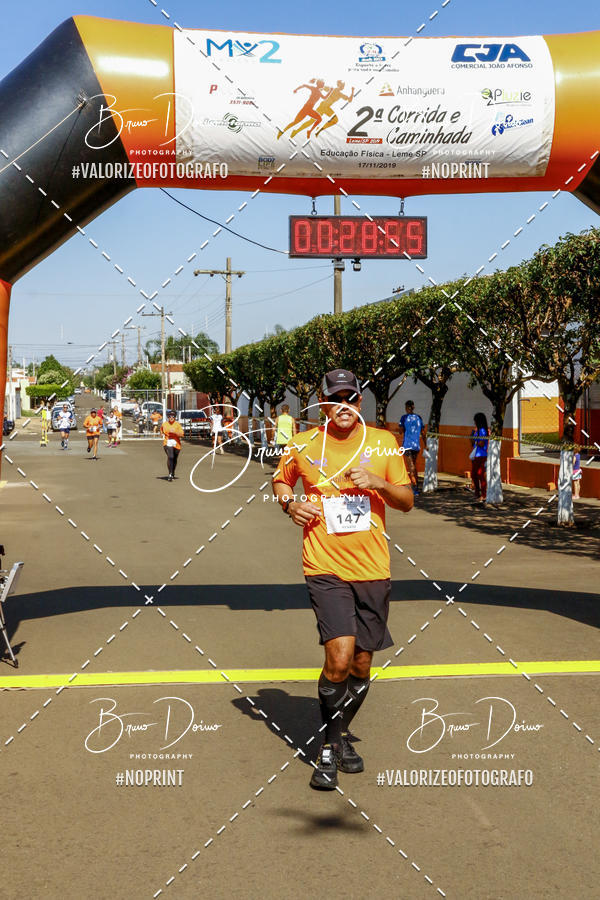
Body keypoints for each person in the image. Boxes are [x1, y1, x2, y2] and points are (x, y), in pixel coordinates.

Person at [272, 368, 413, 790]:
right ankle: (330, 749)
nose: (345, 405)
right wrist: (289, 505)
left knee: (362, 662)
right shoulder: (303, 444)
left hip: (373, 568)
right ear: (323, 402)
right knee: (338, 657)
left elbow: (406, 501)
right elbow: (280, 481)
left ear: (360, 401)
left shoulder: (384, 444)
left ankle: (339, 737)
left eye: (352, 397)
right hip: (324, 564)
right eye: (337, 398)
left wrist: (378, 483)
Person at [398, 400, 425, 495]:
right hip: (416, 446)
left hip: (407, 445)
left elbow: (400, 431)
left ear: (406, 407)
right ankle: (416, 487)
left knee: (411, 467)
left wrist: (400, 428)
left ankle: (414, 488)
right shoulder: (419, 418)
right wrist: (426, 445)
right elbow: (423, 432)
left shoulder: (404, 418)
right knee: (414, 466)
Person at [470, 412, 489, 502]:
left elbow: (481, 443)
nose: (474, 422)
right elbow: (472, 442)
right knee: (474, 474)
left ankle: (484, 494)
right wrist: (472, 435)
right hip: (476, 455)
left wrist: (475, 440)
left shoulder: (482, 431)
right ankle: (477, 493)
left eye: (475, 420)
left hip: (481, 455)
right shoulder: (477, 431)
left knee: (480, 474)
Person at [161, 410, 184, 481]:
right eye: (170, 416)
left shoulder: (178, 425)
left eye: (173, 416)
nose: (171, 417)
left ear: (175, 417)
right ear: (168, 417)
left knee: (174, 459)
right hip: (167, 442)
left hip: (176, 443)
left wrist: (175, 432)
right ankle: (170, 474)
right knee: (170, 457)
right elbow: (161, 431)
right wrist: (164, 434)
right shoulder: (164, 424)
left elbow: (182, 435)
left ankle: (173, 472)